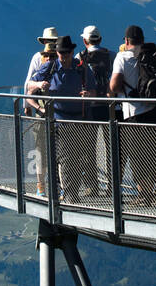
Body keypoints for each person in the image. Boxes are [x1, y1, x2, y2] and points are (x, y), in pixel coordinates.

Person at [28, 36, 100, 201]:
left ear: (72, 51)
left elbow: (94, 92)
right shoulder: (50, 67)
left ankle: (70, 194)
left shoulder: (82, 69)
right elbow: (30, 85)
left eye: (66, 52)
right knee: (67, 158)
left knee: (76, 159)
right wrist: (39, 85)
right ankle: (70, 196)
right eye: (61, 52)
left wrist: (88, 95)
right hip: (59, 120)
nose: (64, 55)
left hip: (80, 120)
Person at [109, 25, 156, 207]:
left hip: (134, 112)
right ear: (142, 39)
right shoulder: (152, 53)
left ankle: (145, 195)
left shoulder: (122, 57)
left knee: (139, 156)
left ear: (126, 41)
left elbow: (114, 85)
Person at [21, 27, 60, 195]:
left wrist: (27, 105)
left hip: (41, 110)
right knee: (49, 149)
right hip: (55, 110)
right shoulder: (62, 57)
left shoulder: (38, 57)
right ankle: (51, 186)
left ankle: (42, 186)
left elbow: (28, 82)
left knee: (42, 149)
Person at [77, 26, 114, 198]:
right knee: (112, 147)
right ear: (100, 39)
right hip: (110, 106)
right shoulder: (111, 55)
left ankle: (92, 186)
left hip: (89, 107)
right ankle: (113, 187)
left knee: (88, 148)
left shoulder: (80, 58)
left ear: (85, 41)